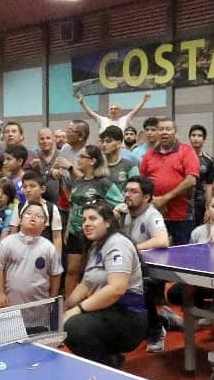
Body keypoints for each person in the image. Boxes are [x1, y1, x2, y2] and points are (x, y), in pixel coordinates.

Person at [63, 201, 149, 368]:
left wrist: (77, 309)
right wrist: (65, 307)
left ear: (108, 222)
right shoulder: (96, 246)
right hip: (107, 312)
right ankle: (107, 360)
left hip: (129, 317)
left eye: (93, 219)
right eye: (84, 220)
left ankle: (108, 364)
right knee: (65, 321)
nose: (86, 224)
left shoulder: (117, 244)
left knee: (74, 327)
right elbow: (85, 284)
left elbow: (116, 289)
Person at [116, 176, 172, 352]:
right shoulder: (123, 212)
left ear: (146, 197)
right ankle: (165, 319)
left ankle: (157, 331)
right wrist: (111, 216)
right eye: (126, 191)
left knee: (140, 290)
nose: (127, 195)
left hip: (152, 273)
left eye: (134, 192)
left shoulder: (152, 215)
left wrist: (132, 248)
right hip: (131, 269)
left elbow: (162, 240)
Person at [64, 145, 125, 297]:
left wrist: (112, 216)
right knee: (72, 270)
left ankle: (88, 302)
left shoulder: (103, 182)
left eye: (81, 157)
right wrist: (67, 229)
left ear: (92, 161)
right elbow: (73, 206)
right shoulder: (77, 182)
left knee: (89, 272)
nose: (78, 160)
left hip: (94, 234)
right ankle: (67, 304)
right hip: (74, 231)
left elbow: (121, 202)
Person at [0, 202, 62, 309]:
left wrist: (52, 299)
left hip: (39, 307)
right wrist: (0, 293)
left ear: (44, 225)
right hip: (9, 305)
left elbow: (55, 275)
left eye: (39, 216)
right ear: (20, 219)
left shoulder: (49, 248)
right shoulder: (7, 242)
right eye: (28, 214)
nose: (33, 217)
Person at [140, 118, 201, 240]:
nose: (164, 132)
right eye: (161, 129)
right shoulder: (149, 155)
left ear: (175, 132)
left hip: (181, 217)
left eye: (168, 129)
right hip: (155, 214)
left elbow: (191, 180)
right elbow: (142, 182)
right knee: (156, 254)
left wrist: (164, 199)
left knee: (182, 255)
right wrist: (154, 201)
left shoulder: (187, 151)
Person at [74, 88, 151, 137]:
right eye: (111, 109)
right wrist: (82, 103)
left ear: (120, 111)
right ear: (109, 112)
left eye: (115, 109)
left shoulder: (124, 120)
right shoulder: (103, 120)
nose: (113, 110)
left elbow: (134, 112)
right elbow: (91, 114)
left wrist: (144, 101)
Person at [186, 123, 214, 233]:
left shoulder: (209, 160)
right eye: (193, 135)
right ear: (189, 138)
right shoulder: (182, 157)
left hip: (199, 203)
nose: (196, 138)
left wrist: (208, 208)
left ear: (204, 139)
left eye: (199, 136)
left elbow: (209, 186)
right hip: (183, 202)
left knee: (199, 233)